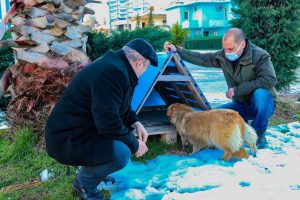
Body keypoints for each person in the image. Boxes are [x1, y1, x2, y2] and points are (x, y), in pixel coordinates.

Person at [45, 38, 158, 200]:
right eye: (146, 68)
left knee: (119, 146)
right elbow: (108, 123)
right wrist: (134, 144)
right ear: (140, 63)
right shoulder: (112, 72)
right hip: (66, 139)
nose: (144, 72)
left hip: (79, 131)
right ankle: (84, 184)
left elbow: (119, 106)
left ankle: (95, 175)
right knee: (122, 153)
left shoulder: (115, 66)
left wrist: (135, 121)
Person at [164, 28, 277, 149]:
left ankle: (259, 135)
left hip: (264, 105)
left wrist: (237, 90)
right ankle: (228, 137)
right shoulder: (224, 56)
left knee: (261, 94)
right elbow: (203, 59)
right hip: (241, 104)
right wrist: (178, 50)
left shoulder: (260, 55)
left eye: (230, 49)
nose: (227, 52)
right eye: (225, 48)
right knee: (213, 115)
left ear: (242, 44)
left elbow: (269, 79)